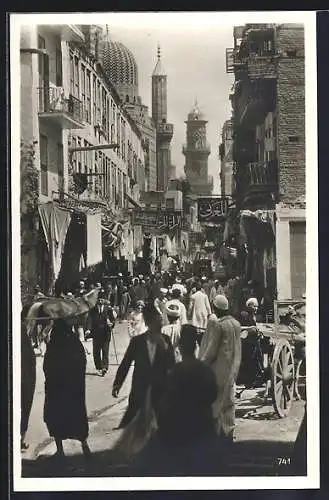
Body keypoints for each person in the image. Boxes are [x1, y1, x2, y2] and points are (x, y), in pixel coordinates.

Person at [133, 325, 229, 476]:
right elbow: (212, 396)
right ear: (196, 346)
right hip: (203, 428)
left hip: (180, 430)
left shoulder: (175, 372)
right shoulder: (206, 371)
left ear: (181, 347)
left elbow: (165, 403)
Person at [112, 303, 175, 429]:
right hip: (140, 389)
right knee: (135, 426)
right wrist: (117, 384)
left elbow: (171, 365)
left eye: (160, 321)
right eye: (157, 322)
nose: (160, 325)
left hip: (160, 389)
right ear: (149, 323)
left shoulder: (166, 340)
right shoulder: (137, 342)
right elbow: (126, 363)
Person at [43, 318, 91, 460]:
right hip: (73, 389)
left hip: (56, 389)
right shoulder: (74, 342)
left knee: (56, 417)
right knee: (77, 416)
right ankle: (85, 446)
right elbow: (82, 361)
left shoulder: (54, 344)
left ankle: (60, 450)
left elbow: (47, 366)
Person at [198, 295, 242, 443]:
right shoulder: (236, 324)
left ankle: (217, 435)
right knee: (229, 401)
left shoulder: (219, 325)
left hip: (219, 370)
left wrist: (201, 364)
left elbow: (211, 351)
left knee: (216, 403)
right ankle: (229, 432)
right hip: (233, 369)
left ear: (216, 308)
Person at [86, 290, 117, 376]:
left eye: (102, 299)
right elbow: (89, 319)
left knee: (105, 351)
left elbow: (113, 319)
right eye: (99, 299)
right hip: (96, 333)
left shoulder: (108, 309)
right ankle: (99, 367)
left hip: (105, 333)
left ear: (105, 300)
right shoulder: (93, 309)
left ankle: (104, 367)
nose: (100, 301)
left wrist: (112, 324)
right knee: (96, 352)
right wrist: (88, 329)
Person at [21, 305, 37, 451]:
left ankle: (20, 439)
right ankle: (20, 439)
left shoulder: (24, 333)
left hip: (26, 379)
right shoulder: (21, 334)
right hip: (24, 380)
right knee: (24, 408)